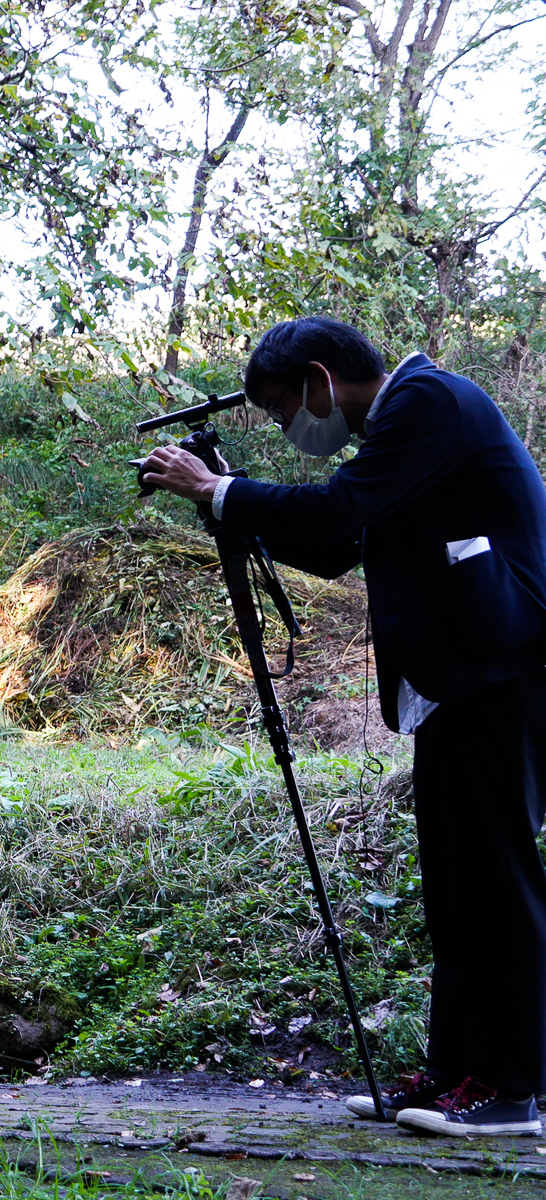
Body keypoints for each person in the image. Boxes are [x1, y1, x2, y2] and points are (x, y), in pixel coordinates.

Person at [140, 315, 546, 1137]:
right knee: (458, 890)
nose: (294, 427)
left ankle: (516, 1091)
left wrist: (219, 491)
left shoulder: (428, 401)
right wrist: (227, 500)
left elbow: (335, 512)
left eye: (288, 408)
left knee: (501, 884)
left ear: (323, 382)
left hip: (508, 672)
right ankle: (456, 1076)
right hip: (461, 678)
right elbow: (336, 546)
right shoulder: (404, 433)